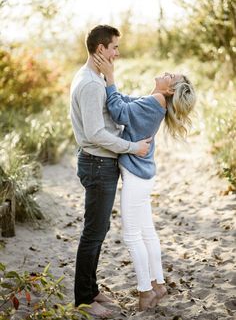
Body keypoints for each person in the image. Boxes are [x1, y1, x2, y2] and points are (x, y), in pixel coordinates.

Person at [93, 53, 196, 311]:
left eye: (170, 75)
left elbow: (118, 111)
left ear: (170, 88)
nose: (166, 72)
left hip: (137, 177)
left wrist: (111, 77)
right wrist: (112, 81)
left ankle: (145, 291)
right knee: (147, 232)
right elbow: (127, 103)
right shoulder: (154, 98)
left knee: (131, 236)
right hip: (143, 175)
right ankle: (158, 284)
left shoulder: (156, 101)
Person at [70, 25, 160, 318]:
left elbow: (116, 110)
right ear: (100, 49)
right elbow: (96, 133)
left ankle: (91, 289)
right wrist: (133, 148)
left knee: (99, 229)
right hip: (97, 164)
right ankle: (83, 299)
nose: (117, 53)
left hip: (101, 163)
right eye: (114, 48)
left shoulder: (97, 79)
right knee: (94, 233)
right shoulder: (91, 84)